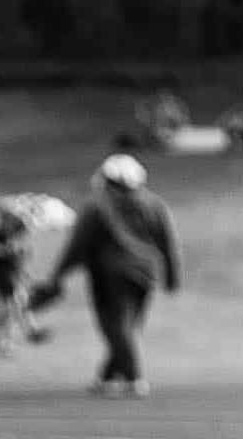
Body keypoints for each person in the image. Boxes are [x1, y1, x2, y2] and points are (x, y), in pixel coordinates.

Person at [35, 152, 182, 393]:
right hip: (145, 273)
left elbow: (78, 244)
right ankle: (107, 377)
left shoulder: (98, 206)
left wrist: (58, 275)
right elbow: (168, 242)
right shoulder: (154, 204)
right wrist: (172, 276)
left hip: (110, 273)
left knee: (115, 326)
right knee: (128, 326)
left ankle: (134, 377)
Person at [0, 194, 64, 355]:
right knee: (11, 302)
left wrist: (24, 271)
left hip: (6, 267)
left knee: (5, 302)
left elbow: (17, 253)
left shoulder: (19, 226)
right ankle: (10, 340)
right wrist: (5, 251)